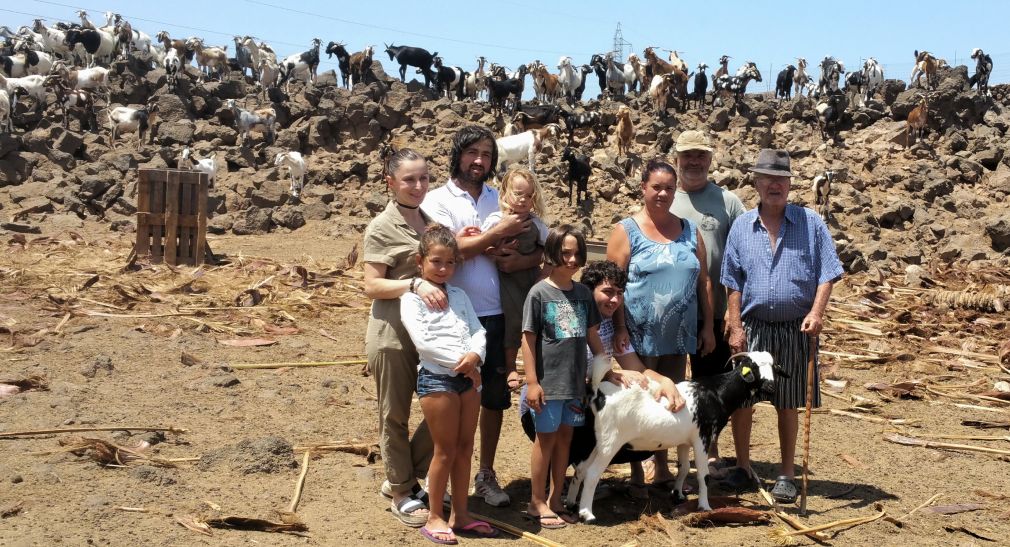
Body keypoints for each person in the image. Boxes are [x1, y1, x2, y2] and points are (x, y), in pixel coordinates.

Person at [421, 125, 540, 507]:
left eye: (487, 155)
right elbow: (445, 249)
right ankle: (435, 472)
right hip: (452, 313)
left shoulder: (500, 197)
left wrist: (522, 258)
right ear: (457, 154)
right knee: (445, 392)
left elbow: (537, 240)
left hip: (496, 312)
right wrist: (495, 234)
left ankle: (485, 472)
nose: (479, 161)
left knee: (492, 398)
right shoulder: (438, 199)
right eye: (472, 152)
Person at [721, 149, 844, 504]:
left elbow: (828, 273)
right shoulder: (742, 226)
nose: (774, 185)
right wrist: (735, 325)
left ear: (789, 184)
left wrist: (817, 312)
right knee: (742, 399)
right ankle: (743, 467)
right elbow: (732, 279)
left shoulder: (810, 223)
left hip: (794, 328)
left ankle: (787, 473)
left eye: (781, 179)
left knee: (787, 402)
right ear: (756, 183)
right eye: (767, 178)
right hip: (754, 327)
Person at [518, 260, 686, 499]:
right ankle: (551, 480)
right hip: (547, 401)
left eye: (619, 293)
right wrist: (608, 375)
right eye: (608, 292)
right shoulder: (572, 318)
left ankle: (573, 473)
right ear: (588, 290)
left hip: (580, 403)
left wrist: (666, 381)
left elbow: (637, 368)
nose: (615, 300)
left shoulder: (612, 327)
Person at [606, 158, 716, 486]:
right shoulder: (626, 231)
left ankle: (663, 463)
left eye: (669, 188)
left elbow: (704, 281)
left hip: (678, 334)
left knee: (671, 399)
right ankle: (639, 467)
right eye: (656, 187)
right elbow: (613, 283)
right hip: (639, 333)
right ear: (643, 188)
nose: (663, 194)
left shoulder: (689, 231)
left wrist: (708, 325)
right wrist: (620, 327)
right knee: (641, 398)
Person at [399, 224, 500, 544]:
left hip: (468, 379)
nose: (443, 269)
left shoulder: (459, 295)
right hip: (438, 377)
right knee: (443, 449)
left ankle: (461, 512)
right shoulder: (411, 299)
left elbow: (477, 330)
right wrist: (464, 364)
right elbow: (424, 343)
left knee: (465, 447)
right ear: (421, 262)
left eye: (450, 263)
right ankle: (435, 515)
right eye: (436, 262)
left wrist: (475, 355)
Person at [363, 149, 444, 527]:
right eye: (409, 179)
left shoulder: (431, 224)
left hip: (428, 334)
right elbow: (372, 284)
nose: (418, 186)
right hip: (392, 333)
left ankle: (405, 474)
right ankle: (400, 490)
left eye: (424, 178)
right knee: (393, 413)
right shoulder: (381, 227)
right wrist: (412, 283)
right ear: (390, 182)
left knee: (441, 408)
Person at [668, 130, 746, 477]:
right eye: (688, 155)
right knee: (668, 379)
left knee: (709, 382)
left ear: (711, 160)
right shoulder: (665, 197)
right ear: (677, 159)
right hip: (670, 313)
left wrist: (734, 312)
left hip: (713, 312)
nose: (694, 162)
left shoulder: (728, 202)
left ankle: (710, 449)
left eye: (701, 155)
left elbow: (743, 254)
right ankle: (662, 453)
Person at [522, 225, 603, 529]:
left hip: (574, 386)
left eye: (576, 253)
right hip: (548, 384)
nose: (571, 259)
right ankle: (536, 501)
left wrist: (609, 368)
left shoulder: (583, 294)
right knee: (545, 440)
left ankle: (556, 498)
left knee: (565, 440)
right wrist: (532, 382)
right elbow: (528, 340)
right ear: (553, 253)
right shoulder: (539, 292)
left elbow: (593, 338)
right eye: (565, 253)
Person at [481, 167, 550, 393]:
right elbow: (483, 245)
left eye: (529, 195)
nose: (523, 199)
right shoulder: (496, 220)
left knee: (536, 323)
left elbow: (551, 248)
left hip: (531, 280)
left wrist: (542, 275)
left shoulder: (536, 224)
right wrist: (497, 250)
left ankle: (539, 365)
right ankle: (511, 365)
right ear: (505, 194)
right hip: (508, 282)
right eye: (518, 193)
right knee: (513, 322)